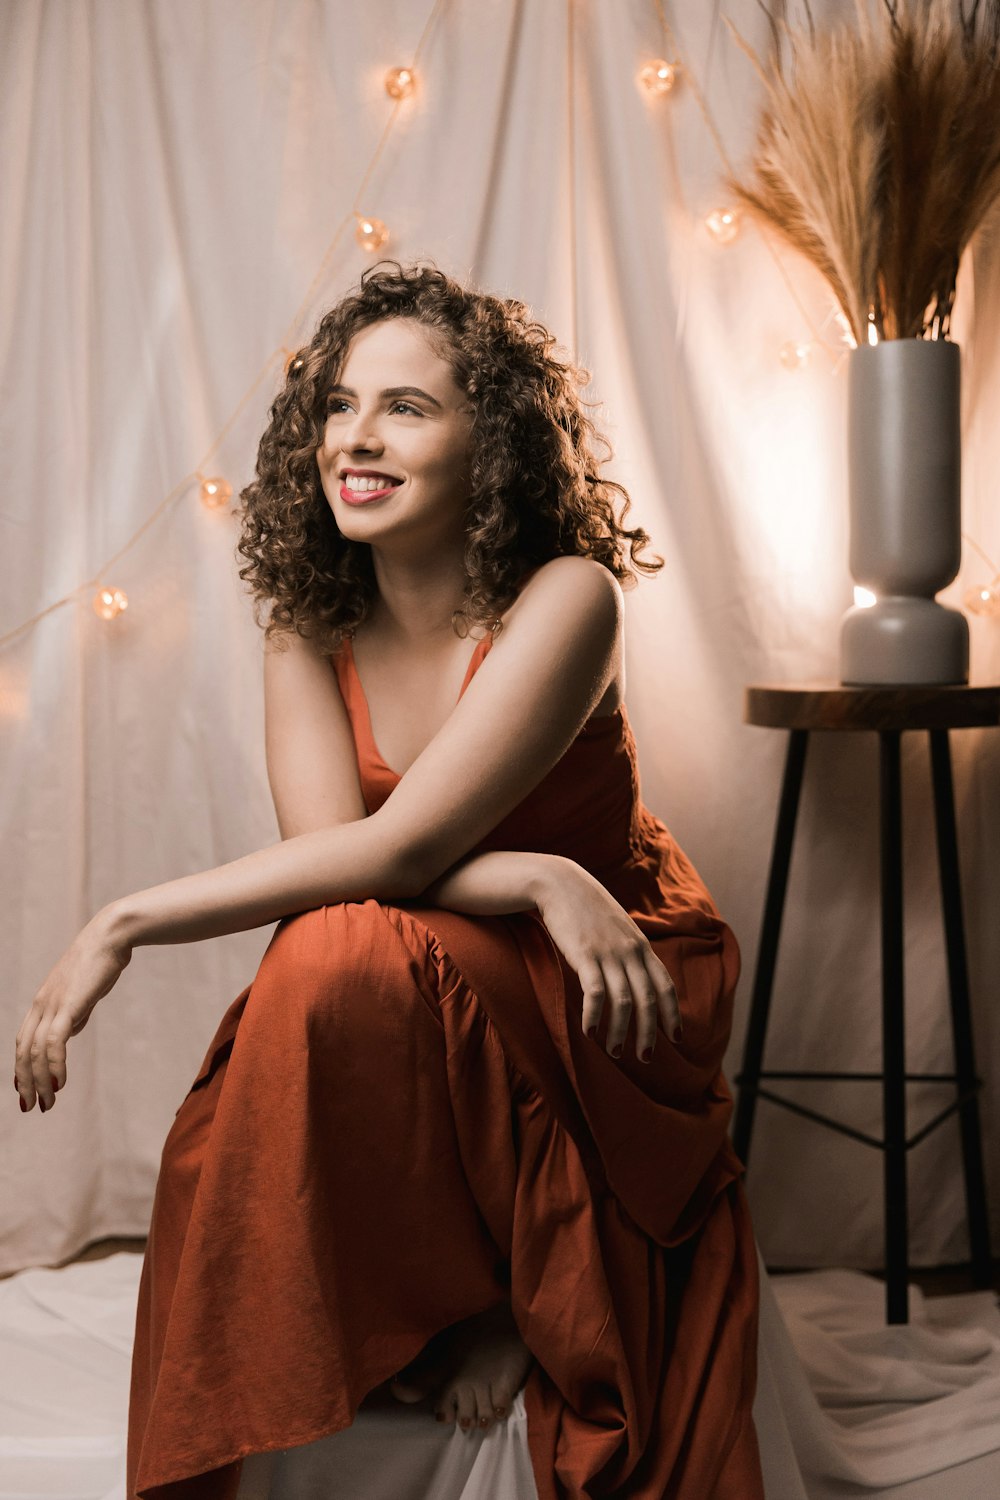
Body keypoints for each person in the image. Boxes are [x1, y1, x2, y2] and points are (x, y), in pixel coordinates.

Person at [13, 260, 764, 1499]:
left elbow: (393, 857)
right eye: (340, 405)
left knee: (347, 945)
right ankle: (418, 1294)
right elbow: (340, 872)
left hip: (607, 971)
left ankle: (523, 1290)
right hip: (478, 933)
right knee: (329, 953)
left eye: (405, 407)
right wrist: (528, 874)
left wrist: (127, 919)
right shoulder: (307, 619)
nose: (355, 435)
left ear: (497, 444)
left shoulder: (566, 598)